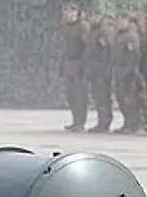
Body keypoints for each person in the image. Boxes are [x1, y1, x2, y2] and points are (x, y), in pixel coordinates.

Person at [110, 11, 147, 134]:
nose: (119, 23)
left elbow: (134, 55)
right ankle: (127, 122)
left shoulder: (131, 35)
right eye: (117, 21)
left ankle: (135, 123)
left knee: (130, 98)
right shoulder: (118, 35)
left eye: (122, 20)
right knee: (121, 98)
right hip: (118, 69)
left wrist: (128, 70)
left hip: (128, 71)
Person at [82, 6, 112, 132]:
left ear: (100, 17)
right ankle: (101, 121)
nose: (92, 18)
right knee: (97, 96)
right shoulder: (92, 30)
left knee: (103, 97)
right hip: (93, 68)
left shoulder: (103, 31)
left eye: (94, 16)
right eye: (90, 16)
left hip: (101, 69)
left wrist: (104, 68)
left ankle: (104, 122)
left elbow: (106, 51)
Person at [60, 2, 87, 132]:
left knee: (80, 95)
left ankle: (80, 122)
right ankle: (75, 120)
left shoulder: (82, 27)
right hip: (69, 64)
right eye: (67, 11)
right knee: (71, 95)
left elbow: (88, 47)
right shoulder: (67, 27)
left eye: (72, 11)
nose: (68, 14)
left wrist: (84, 65)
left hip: (79, 64)